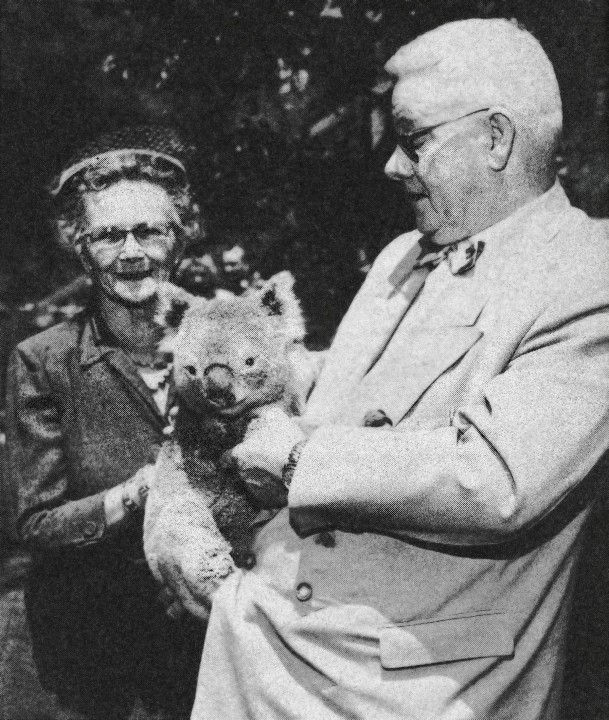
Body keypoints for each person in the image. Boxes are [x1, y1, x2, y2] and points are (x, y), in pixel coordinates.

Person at [190, 19, 609, 720]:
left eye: (412, 139)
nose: (390, 165)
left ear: (496, 138)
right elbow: (334, 398)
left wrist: (299, 458)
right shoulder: (400, 258)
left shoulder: (587, 269)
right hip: (263, 655)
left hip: (404, 695)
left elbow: (496, 479)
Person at [6, 126, 205, 720]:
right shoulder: (43, 361)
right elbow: (36, 522)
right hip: (95, 636)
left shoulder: (223, 340)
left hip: (205, 622)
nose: (131, 252)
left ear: (180, 237)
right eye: (109, 235)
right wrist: (136, 493)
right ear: (81, 246)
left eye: (149, 230)